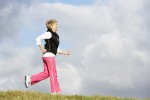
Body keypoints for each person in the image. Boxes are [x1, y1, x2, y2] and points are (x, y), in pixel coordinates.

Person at [25, 19, 70, 94]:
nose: (57, 25)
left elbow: (56, 48)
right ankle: (54, 92)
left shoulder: (56, 36)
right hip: (49, 56)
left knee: (47, 73)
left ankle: (29, 79)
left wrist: (65, 53)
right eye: (56, 24)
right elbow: (37, 38)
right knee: (53, 73)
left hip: (48, 56)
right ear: (51, 25)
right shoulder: (48, 33)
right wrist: (41, 48)